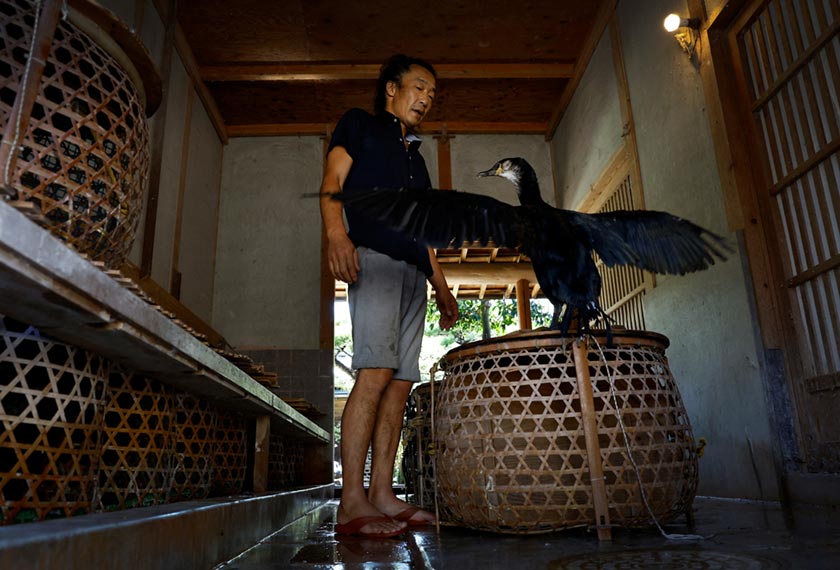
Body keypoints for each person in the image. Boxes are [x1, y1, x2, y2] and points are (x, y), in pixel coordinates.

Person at [320, 54, 459, 538]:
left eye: (433, 94)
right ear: (392, 90)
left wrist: (440, 284)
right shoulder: (359, 126)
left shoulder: (417, 160)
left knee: (400, 383)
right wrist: (338, 237)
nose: (426, 98)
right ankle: (351, 501)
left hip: (413, 273)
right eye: (420, 87)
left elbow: (423, 230)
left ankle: (381, 493)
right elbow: (332, 183)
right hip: (374, 259)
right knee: (375, 373)